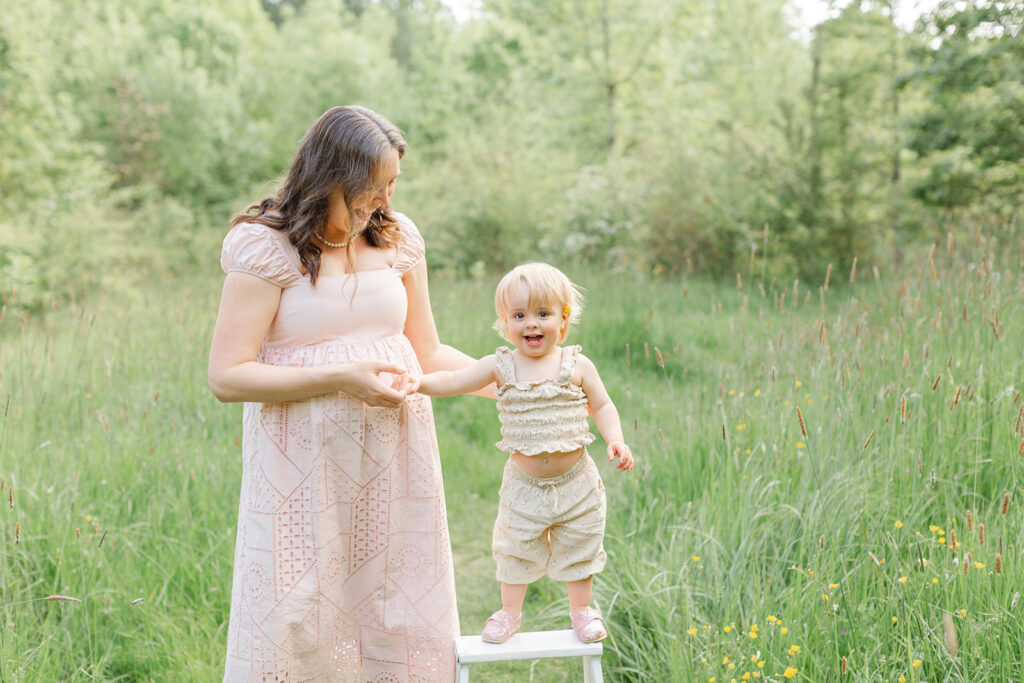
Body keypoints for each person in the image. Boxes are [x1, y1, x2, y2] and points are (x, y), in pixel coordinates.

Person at [208, 105, 474, 682]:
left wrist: (510, 379)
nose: (383, 200)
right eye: (372, 187)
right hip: (298, 471)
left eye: (390, 186)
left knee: (398, 608)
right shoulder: (266, 248)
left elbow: (429, 353)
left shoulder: (399, 242)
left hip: (394, 460)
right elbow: (227, 376)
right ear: (332, 175)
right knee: (297, 611)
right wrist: (339, 378)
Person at [401, 262, 634, 645]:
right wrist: (419, 383)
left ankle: (582, 611)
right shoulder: (500, 366)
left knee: (580, 543)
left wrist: (616, 439)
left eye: (543, 314)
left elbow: (603, 405)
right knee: (515, 546)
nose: (531, 324)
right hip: (524, 484)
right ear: (504, 321)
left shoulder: (577, 365)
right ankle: (509, 612)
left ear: (563, 318)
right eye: (519, 315)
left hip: (577, 481)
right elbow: (454, 381)